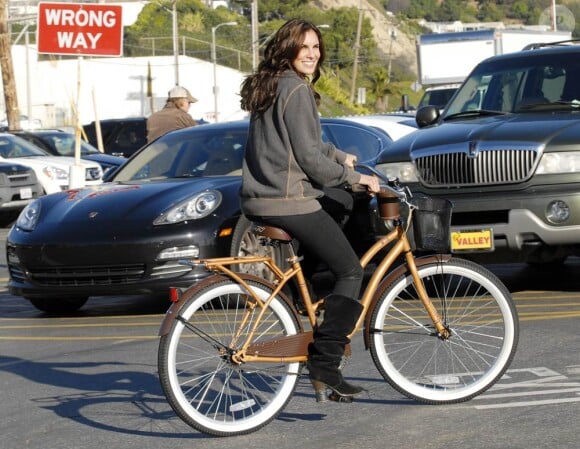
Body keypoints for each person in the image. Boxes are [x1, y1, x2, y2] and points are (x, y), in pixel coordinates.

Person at [239, 18, 380, 401]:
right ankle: (326, 366)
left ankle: (315, 297)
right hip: (288, 200)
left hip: (260, 196)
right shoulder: (295, 90)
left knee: (344, 205)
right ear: (287, 49)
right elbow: (308, 160)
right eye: (304, 47)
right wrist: (356, 178)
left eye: (316, 47)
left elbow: (303, 144)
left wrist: (340, 157)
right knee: (351, 269)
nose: (312, 54)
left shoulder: (269, 85)